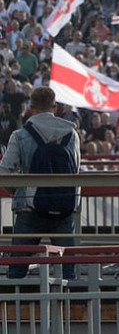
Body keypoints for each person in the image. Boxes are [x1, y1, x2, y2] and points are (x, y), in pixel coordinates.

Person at [0, 86, 80, 280]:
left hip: (29, 207)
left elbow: (4, 172)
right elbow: (75, 169)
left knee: (17, 268)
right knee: (69, 269)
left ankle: (12, 308)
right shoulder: (71, 134)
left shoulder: (20, 135)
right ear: (54, 107)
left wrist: (19, 191)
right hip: (63, 206)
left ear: (32, 108)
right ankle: (70, 307)